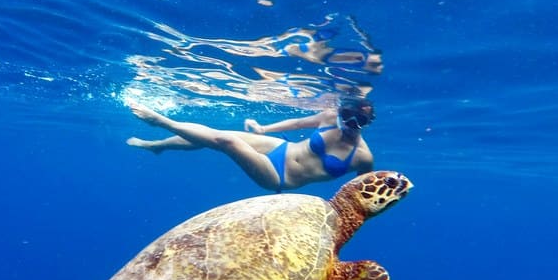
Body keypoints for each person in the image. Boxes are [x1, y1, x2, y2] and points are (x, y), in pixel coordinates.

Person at [126, 101, 375, 192]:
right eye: (348, 115)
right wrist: (264, 129)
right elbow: (298, 122)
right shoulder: (330, 116)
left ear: (367, 123)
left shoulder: (363, 158)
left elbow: (357, 195)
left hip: (280, 176)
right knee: (214, 135)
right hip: (281, 148)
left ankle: (161, 122)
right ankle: (158, 145)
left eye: (360, 121)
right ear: (342, 111)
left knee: (226, 141)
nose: (351, 123)